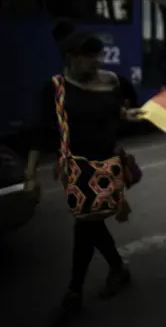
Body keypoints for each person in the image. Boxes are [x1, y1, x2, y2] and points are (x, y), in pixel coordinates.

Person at [24, 21, 143, 325]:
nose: (96, 61)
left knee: (86, 225)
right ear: (71, 58)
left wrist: (128, 115)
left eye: (98, 55)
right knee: (89, 224)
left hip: (108, 166)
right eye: (89, 56)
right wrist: (30, 174)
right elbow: (38, 134)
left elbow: (130, 109)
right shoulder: (55, 88)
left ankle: (75, 292)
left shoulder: (114, 82)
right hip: (77, 169)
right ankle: (116, 269)